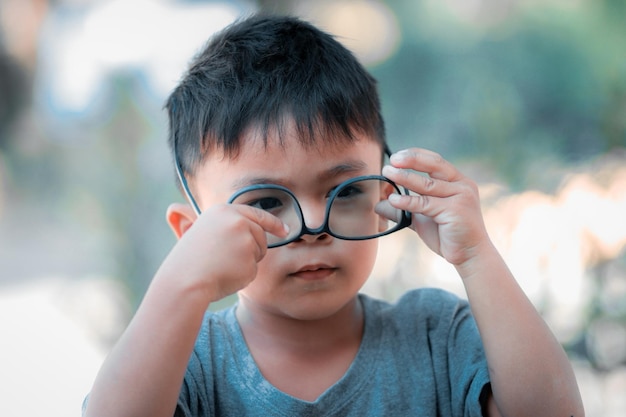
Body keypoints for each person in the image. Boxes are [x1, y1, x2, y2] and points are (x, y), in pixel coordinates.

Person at [82, 14, 584, 417]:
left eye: (344, 192)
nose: (313, 227)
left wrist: (477, 257)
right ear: (191, 234)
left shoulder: (436, 336)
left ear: (386, 191)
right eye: (265, 202)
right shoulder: (186, 363)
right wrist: (180, 285)